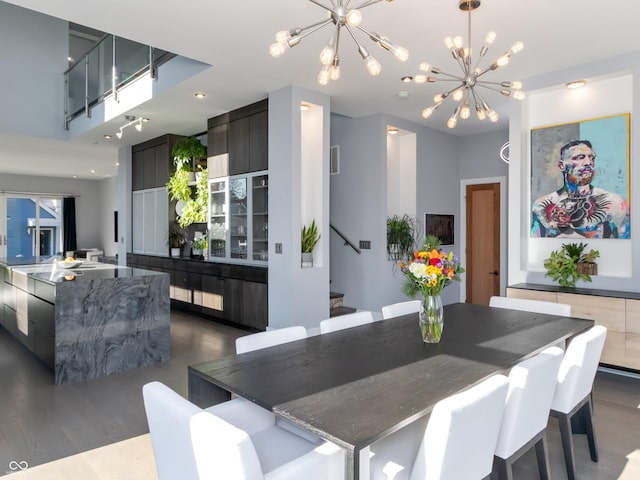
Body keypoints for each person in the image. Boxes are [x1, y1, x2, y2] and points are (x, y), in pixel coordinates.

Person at [531, 140, 630, 238]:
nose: (588, 163)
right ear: (562, 166)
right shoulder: (541, 206)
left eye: (591, 158)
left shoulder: (614, 203)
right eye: (579, 158)